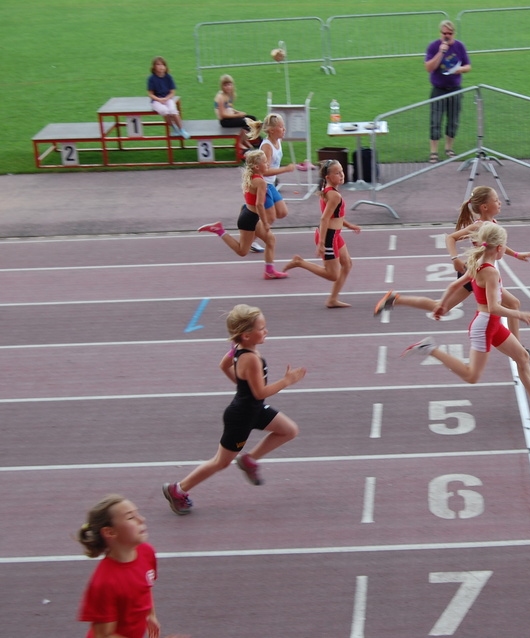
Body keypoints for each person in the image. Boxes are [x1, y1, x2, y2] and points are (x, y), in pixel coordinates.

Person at [402, 223, 530, 417]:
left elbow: (454, 285)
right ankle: (429, 348)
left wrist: (441, 304)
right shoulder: (490, 272)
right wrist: (519, 314)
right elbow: (493, 307)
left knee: (522, 357)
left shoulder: (477, 263)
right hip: (485, 326)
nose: (505, 250)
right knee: (472, 376)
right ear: (499, 248)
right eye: (505, 246)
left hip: (491, 324)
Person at [162, 304, 306, 514]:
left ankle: (249, 459)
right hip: (241, 417)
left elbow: (224, 365)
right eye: (261, 328)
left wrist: (242, 387)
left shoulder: (238, 347)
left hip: (254, 409)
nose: (266, 331)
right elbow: (260, 393)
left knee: (289, 430)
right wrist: (287, 381)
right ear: (246, 335)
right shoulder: (251, 359)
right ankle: (177, 489)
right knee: (220, 462)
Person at [375, 186, 530, 359]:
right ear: (485, 207)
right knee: (444, 306)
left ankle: (395, 299)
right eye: (496, 200)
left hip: (479, 273)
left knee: (509, 303)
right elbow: (451, 237)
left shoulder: (492, 224)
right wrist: (454, 259)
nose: (500, 202)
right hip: (475, 274)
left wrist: (516, 254)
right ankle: (520, 349)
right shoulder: (478, 226)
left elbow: (497, 243)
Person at [77, 495, 187, 638]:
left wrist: (150, 614)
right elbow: (104, 635)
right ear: (110, 532)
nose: (142, 519)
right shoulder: (104, 583)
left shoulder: (146, 552)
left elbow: (145, 587)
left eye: (138, 514)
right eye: (130, 517)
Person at [196, 150, 288, 278]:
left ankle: (269, 271)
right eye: (265, 162)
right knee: (242, 251)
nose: (268, 164)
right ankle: (219, 230)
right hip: (249, 219)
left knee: (270, 240)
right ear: (257, 167)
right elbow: (259, 205)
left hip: (249, 214)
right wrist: (266, 223)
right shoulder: (260, 182)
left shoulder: (252, 178)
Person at [282, 159, 361, 308]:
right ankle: (300, 262)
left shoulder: (328, 190)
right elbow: (324, 219)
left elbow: (335, 216)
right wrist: (322, 243)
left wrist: (349, 225)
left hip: (335, 235)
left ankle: (332, 299)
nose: (342, 175)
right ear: (328, 177)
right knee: (332, 275)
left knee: (347, 264)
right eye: (337, 173)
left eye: (342, 171)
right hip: (328, 236)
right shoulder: (334, 195)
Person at [424, 20, 471, 163]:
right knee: (435, 120)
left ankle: (449, 148)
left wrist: (460, 69)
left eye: (449, 33)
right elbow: (429, 68)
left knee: (453, 120)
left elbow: (468, 66)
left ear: (453, 33)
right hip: (438, 90)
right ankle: (434, 152)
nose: (447, 36)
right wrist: (441, 52)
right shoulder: (433, 47)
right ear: (440, 33)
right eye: (444, 33)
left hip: (455, 90)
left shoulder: (459, 46)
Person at [245, 114, 295, 222]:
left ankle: (253, 211)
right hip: (263, 184)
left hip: (270, 183)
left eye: (283, 126)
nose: (284, 129)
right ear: (272, 130)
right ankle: (252, 214)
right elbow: (264, 171)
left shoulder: (277, 141)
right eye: (281, 127)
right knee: (270, 218)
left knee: (282, 212)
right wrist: (285, 169)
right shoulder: (267, 147)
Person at [147, 56, 189, 139]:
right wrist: (159, 99)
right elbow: (150, 94)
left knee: (173, 110)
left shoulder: (168, 77)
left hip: (167, 98)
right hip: (156, 101)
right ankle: (173, 127)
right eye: (158, 65)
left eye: (162, 65)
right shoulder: (151, 79)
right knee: (164, 111)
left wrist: (166, 98)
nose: (161, 67)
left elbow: (172, 92)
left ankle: (181, 129)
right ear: (154, 67)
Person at [214, 74, 258, 150]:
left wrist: (238, 112)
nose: (228, 87)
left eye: (229, 85)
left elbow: (229, 108)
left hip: (231, 117)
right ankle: (239, 143)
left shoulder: (229, 95)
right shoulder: (220, 97)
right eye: (225, 85)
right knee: (247, 122)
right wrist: (238, 115)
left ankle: (244, 140)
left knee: (253, 118)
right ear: (222, 86)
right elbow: (222, 115)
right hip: (225, 121)